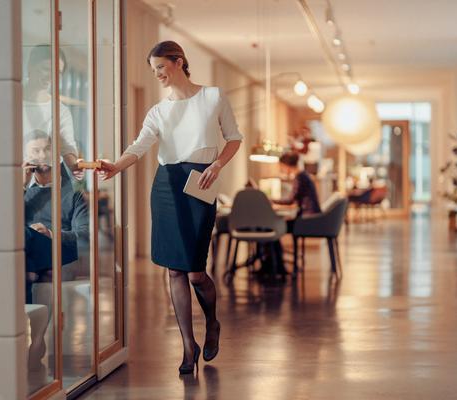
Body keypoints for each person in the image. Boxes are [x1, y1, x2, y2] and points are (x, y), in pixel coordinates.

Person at [96, 41, 243, 374]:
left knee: (194, 270)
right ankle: (188, 346)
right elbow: (140, 144)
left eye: (161, 67)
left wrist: (218, 165)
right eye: (153, 70)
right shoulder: (158, 111)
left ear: (179, 62)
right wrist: (116, 166)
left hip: (200, 184)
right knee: (173, 270)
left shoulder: (213, 97)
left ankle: (212, 323)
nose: (157, 74)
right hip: (166, 186)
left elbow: (234, 138)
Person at [23, 130, 89, 303]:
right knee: (24, 237)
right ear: (26, 157)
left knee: (24, 235)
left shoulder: (74, 192)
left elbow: (84, 235)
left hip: (60, 249)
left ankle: (28, 268)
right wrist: (21, 187)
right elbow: (2, 224)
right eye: (35, 151)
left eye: (47, 149)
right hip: (30, 253)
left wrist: (50, 234)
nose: (43, 155)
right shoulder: (20, 191)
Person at [23, 45, 84, 179]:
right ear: (30, 67)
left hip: (48, 187)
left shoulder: (61, 111)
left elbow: (67, 148)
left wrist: (76, 166)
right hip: (14, 183)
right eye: (46, 69)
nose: (51, 77)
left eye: (58, 73)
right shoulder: (11, 104)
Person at [274, 152, 321, 220]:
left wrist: (271, 201)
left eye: (281, 167)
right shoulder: (303, 175)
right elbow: (295, 202)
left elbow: (290, 200)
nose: (281, 170)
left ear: (286, 166)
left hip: (309, 218)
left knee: (283, 224)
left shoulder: (299, 178)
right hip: (312, 216)